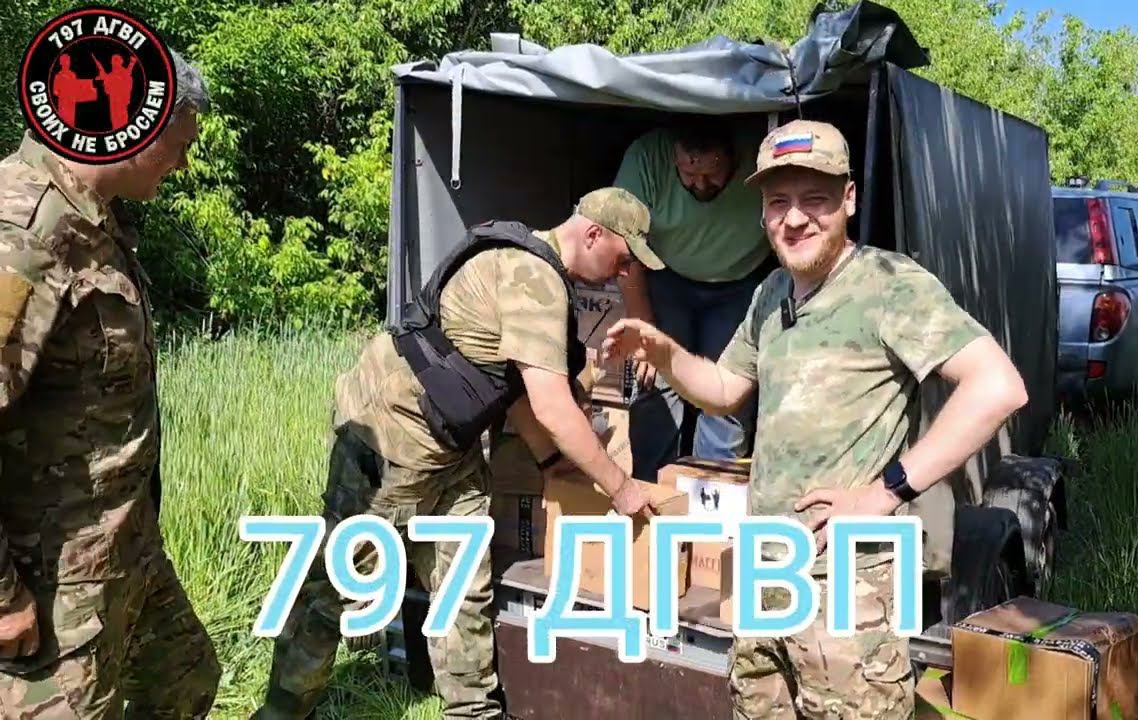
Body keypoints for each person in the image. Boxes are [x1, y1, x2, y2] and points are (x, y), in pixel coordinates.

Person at [602, 120, 1029, 718]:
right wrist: (665, 353)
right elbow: (725, 390)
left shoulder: (889, 284)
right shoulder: (772, 292)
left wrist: (886, 491)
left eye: (815, 199)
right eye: (779, 201)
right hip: (765, 570)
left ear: (849, 199)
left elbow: (997, 387)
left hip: (846, 585)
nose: (795, 218)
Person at [252, 188, 666, 720]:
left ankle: (472, 710)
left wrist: (547, 462)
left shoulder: (535, 268)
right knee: (336, 582)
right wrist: (621, 488)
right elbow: (553, 406)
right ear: (593, 235)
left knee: (465, 580)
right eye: (624, 258)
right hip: (394, 437)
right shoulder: (533, 279)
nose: (623, 273)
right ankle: (283, 709)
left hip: (452, 446)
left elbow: (510, 388)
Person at [0, 52, 221, 717]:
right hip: (50, 578)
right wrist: (4, 600)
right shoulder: (25, 231)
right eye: (180, 147)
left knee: (183, 681)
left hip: (121, 547)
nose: (182, 165)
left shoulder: (96, 218)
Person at [612, 116, 775, 480]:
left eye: (712, 174)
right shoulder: (647, 157)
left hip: (740, 284)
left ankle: (713, 492)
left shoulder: (760, 152)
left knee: (728, 393)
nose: (700, 184)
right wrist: (644, 325)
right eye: (688, 173)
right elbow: (624, 249)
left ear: (735, 157)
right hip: (666, 278)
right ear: (674, 155)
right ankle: (652, 488)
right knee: (654, 381)